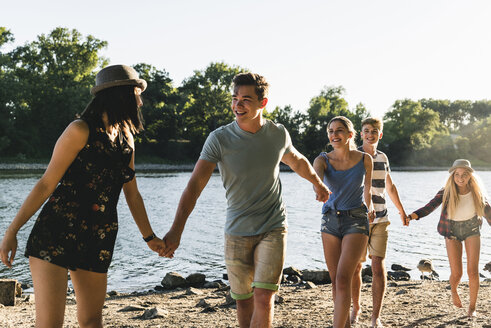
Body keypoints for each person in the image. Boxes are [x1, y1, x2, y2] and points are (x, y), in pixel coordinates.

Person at [0, 65, 165, 328]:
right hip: (55, 231)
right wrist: (12, 230)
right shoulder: (79, 130)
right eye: (137, 93)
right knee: (50, 324)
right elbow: (46, 184)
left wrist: (149, 237)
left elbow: (132, 193)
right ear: (121, 95)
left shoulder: (126, 139)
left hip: (98, 235)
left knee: (91, 321)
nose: (141, 100)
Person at [161, 72, 330, 328]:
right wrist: (176, 231)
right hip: (237, 230)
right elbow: (195, 185)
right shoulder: (219, 139)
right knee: (243, 300)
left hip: (273, 226)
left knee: (264, 297)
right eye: (235, 98)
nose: (237, 105)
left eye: (246, 99)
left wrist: (318, 184)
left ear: (263, 103)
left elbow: (297, 160)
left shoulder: (277, 134)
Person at [313, 116, 375, 328]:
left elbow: (367, 189)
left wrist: (371, 206)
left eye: (339, 130)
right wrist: (319, 188)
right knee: (335, 280)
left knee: (343, 278)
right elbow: (317, 179)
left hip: (356, 220)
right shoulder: (322, 160)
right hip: (329, 220)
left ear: (350, 135)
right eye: (330, 131)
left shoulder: (365, 159)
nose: (334, 135)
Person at [408, 159, 491, 318]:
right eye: (457, 175)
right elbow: (430, 206)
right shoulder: (446, 191)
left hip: (472, 229)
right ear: (453, 176)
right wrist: (412, 216)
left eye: (464, 175)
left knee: (473, 272)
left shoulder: (477, 192)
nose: (460, 178)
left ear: (470, 176)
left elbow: (489, 214)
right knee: (457, 273)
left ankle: (472, 308)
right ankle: (454, 290)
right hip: (451, 231)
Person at [350, 117, 408, 328]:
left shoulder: (383, 157)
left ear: (379, 134)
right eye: (366, 130)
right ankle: (356, 307)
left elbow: (390, 186)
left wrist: (402, 211)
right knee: (356, 267)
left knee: (378, 266)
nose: (370, 134)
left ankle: (376, 317)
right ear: (361, 133)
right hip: (358, 218)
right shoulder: (354, 156)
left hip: (382, 218)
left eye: (374, 131)